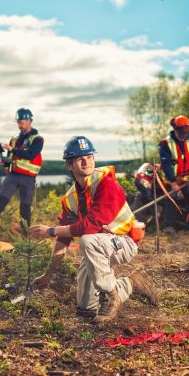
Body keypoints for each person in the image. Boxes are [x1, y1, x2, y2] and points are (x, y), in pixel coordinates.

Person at [30, 136, 158, 324]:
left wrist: (51, 230)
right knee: (85, 309)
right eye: (80, 158)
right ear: (69, 165)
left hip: (124, 242)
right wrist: (48, 275)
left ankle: (114, 295)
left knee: (87, 240)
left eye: (89, 156)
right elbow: (63, 240)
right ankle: (128, 284)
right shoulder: (71, 198)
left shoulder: (107, 184)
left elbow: (90, 226)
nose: (86, 161)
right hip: (98, 246)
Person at [0, 108, 44, 236]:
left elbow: (30, 155)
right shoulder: (14, 138)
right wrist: (3, 162)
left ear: (30, 121)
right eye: (18, 122)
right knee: (1, 200)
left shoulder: (38, 139)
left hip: (28, 177)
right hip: (13, 175)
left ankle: (25, 234)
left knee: (25, 206)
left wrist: (12, 149)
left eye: (22, 121)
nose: (19, 124)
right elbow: (11, 158)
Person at [158, 115, 189, 232]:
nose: (184, 133)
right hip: (171, 179)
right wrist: (173, 181)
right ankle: (169, 226)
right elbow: (166, 164)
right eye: (182, 130)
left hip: (186, 178)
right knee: (171, 198)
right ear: (176, 129)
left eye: (187, 130)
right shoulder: (166, 144)